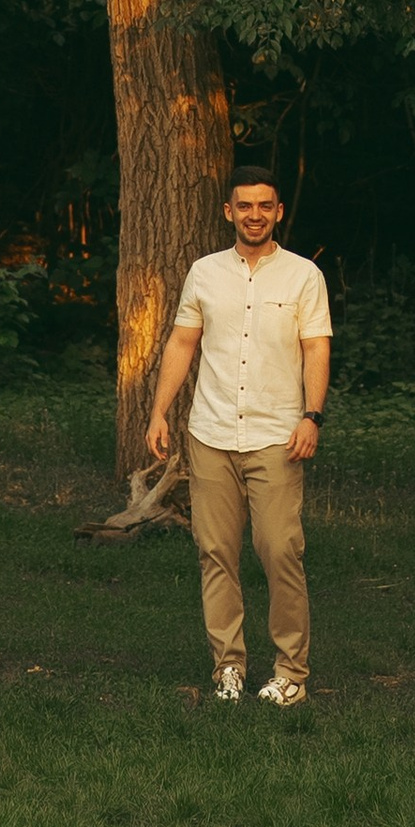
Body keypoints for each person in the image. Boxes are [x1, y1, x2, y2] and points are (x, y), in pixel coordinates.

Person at [145, 169, 332, 709]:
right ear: (229, 212)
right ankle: (228, 666)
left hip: (277, 435)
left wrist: (312, 416)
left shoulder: (304, 276)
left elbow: (317, 348)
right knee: (216, 553)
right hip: (211, 433)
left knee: (280, 551)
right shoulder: (204, 273)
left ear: (278, 213)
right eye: (244, 206)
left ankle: (291, 672)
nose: (255, 214)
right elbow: (183, 342)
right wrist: (160, 412)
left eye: (264, 206)